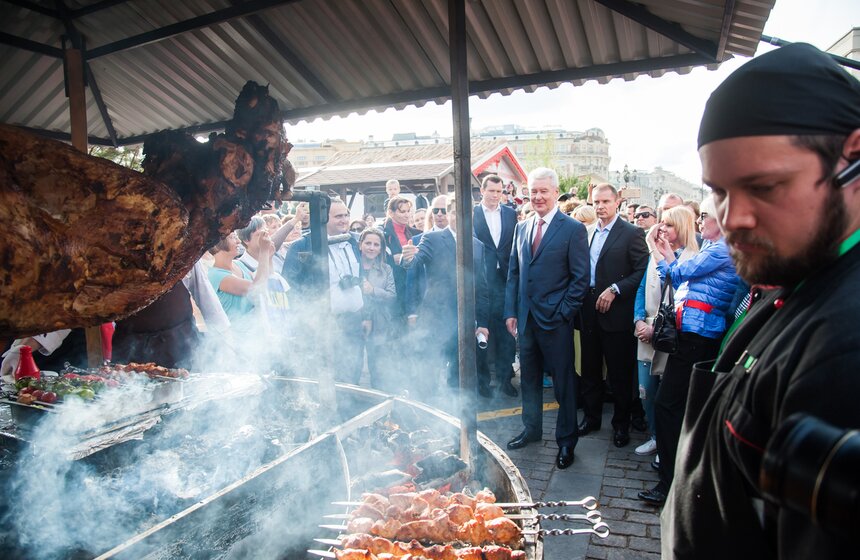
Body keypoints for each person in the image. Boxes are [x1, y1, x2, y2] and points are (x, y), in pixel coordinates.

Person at [663, 43, 860, 558]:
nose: (733, 218)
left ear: (854, 159)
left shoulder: (845, 344)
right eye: (720, 193)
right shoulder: (798, 275)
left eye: (765, 186)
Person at [503, 167, 589, 470]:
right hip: (525, 321)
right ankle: (532, 429)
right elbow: (514, 273)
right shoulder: (522, 227)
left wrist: (563, 312)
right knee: (529, 380)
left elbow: (580, 279)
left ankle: (567, 442)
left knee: (564, 385)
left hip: (556, 322)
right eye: (533, 191)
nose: (537, 197)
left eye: (543, 191)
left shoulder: (573, 229)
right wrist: (511, 311)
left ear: (554, 192)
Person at [577, 183, 648, 448]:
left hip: (616, 312)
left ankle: (621, 424)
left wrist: (616, 289)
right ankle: (592, 418)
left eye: (605, 201)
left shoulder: (631, 233)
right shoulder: (586, 232)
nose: (600, 206)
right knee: (590, 369)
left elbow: (641, 270)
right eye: (596, 202)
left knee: (619, 373)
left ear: (617, 202)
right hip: (588, 310)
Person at [400, 194, 490, 399]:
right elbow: (415, 261)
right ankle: (427, 414)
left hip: (465, 322)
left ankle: (458, 419)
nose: (458, 217)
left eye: (463, 213)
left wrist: (483, 322)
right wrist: (408, 259)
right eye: (454, 212)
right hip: (435, 319)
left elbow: (482, 288)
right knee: (429, 372)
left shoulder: (477, 245)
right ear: (448, 214)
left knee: (459, 376)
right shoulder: (432, 238)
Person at [632, 207, 699, 457]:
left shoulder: (693, 257)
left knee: (668, 395)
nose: (663, 228)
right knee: (646, 390)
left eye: (669, 225)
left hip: (671, 334)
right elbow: (642, 288)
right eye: (663, 223)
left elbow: (678, 293)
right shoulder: (655, 253)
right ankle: (655, 435)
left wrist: (655, 327)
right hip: (646, 330)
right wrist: (639, 320)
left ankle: (668, 443)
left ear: (682, 227)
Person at [284, 198, 365, 382]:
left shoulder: (352, 242)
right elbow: (290, 287)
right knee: (327, 377)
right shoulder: (302, 245)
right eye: (338, 216)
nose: (344, 220)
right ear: (322, 218)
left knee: (353, 373)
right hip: (322, 326)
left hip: (352, 322)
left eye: (346, 215)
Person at [473, 175, 519, 397]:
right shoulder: (471, 214)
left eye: (499, 191)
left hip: (505, 281)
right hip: (480, 281)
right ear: (482, 191)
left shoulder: (511, 214)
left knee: (506, 333)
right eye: (491, 191)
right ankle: (482, 382)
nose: (495, 195)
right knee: (481, 332)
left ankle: (504, 380)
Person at [357, 228, 396, 391]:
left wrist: (373, 290)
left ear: (381, 248)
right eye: (368, 243)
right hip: (354, 320)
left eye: (376, 244)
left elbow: (392, 295)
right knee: (353, 363)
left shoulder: (386, 269)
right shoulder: (351, 264)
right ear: (360, 245)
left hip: (379, 322)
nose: (371, 248)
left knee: (378, 366)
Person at [382, 196, 421, 322]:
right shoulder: (382, 233)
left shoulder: (417, 233)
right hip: (393, 286)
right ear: (391, 213)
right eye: (402, 211)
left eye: (408, 211)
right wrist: (392, 258)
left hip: (413, 286)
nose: (407, 215)